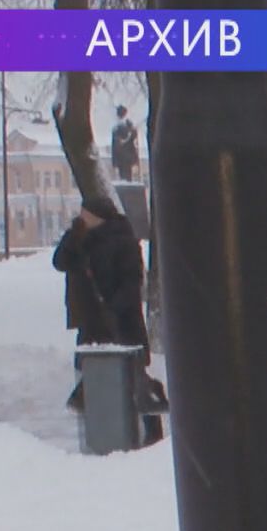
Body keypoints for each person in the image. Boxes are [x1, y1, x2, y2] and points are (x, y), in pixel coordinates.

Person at [51, 197, 158, 411]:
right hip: (92, 317)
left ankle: (145, 420)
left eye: (86, 214)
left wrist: (115, 307)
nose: (82, 217)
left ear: (97, 216)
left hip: (119, 317)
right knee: (96, 366)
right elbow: (60, 262)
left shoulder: (121, 240)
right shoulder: (81, 239)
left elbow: (131, 280)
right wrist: (72, 235)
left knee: (130, 371)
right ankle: (101, 414)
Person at [110, 106, 140, 182]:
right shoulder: (126, 127)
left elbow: (115, 146)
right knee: (126, 179)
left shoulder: (119, 128)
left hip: (124, 158)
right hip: (125, 158)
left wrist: (114, 162)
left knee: (125, 178)